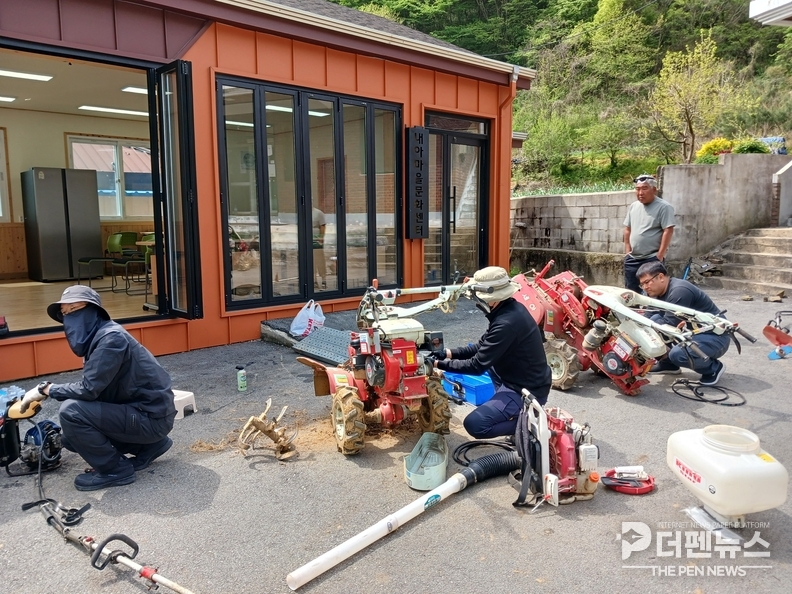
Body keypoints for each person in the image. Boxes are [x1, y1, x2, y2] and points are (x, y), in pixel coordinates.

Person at [19, 286, 176, 491]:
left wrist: (46, 389)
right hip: (142, 413)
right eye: (65, 313)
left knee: (71, 413)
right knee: (71, 438)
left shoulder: (111, 339)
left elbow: (88, 389)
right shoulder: (99, 337)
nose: (69, 317)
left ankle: (115, 470)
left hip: (150, 417)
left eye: (74, 309)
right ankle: (149, 447)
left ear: (94, 311)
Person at [431, 266, 552, 439]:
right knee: (492, 364)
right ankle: (508, 409)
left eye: (478, 298)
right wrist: (446, 353)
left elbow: (476, 366)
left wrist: (437, 364)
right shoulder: (510, 310)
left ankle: (532, 424)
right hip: (519, 379)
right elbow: (481, 347)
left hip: (526, 390)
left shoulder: (506, 323)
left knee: (475, 424)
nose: (477, 302)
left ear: (492, 300)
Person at [637, 261, 729, 386]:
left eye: (647, 282)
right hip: (692, 333)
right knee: (653, 321)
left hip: (715, 337)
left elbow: (668, 324)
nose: (645, 287)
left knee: (677, 353)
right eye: (642, 284)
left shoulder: (679, 291)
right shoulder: (656, 293)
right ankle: (669, 364)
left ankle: (713, 368)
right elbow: (647, 318)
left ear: (661, 277)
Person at [624, 174, 675, 293]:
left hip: (651, 258)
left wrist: (660, 255)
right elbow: (627, 229)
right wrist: (627, 251)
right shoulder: (634, 206)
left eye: (644, 188)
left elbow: (668, 230)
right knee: (631, 292)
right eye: (637, 189)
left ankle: (652, 308)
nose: (640, 193)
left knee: (653, 291)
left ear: (654, 190)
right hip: (633, 258)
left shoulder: (664, 207)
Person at [312, 206, 327, 290]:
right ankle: (314, 281)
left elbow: (323, 226)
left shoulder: (318, 213)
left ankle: (324, 280)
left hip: (316, 241)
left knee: (320, 260)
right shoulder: (303, 213)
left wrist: (321, 239)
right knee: (311, 262)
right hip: (307, 241)